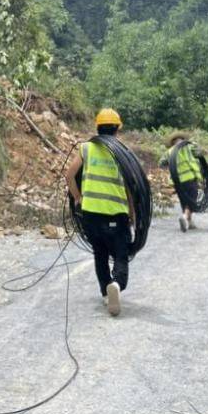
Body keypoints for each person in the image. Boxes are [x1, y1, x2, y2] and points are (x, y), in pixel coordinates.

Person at [66, 108, 135, 316]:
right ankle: (117, 284)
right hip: (116, 212)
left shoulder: (86, 148)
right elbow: (131, 187)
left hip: (91, 213)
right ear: (117, 129)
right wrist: (133, 213)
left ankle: (106, 293)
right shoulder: (122, 152)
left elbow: (70, 176)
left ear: (97, 127)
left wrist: (78, 198)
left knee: (100, 253)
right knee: (121, 254)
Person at [162, 132, 203, 231]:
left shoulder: (169, 152)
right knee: (192, 200)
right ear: (183, 140)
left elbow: (162, 163)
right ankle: (184, 217)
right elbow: (199, 153)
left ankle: (190, 222)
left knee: (184, 200)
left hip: (177, 181)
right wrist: (194, 144)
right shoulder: (189, 147)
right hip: (190, 178)